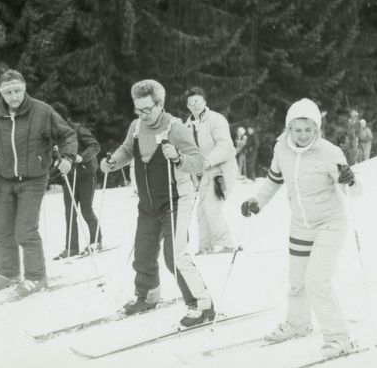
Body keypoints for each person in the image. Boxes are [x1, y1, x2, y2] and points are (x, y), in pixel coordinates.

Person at [240, 98, 360, 359]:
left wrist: (350, 180)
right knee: (296, 281)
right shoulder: (281, 149)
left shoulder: (330, 152)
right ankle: (298, 323)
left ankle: (339, 338)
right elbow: (273, 181)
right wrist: (256, 202)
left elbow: (353, 190)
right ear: (289, 128)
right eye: (298, 129)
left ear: (317, 129)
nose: (303, 135)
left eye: (309, 129)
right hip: (300, 225)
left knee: (317, 280)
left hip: (330, 223)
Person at [100, 79, 214, 327]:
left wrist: (178, 157)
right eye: (138, 110)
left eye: (147, 110)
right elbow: (126, 150)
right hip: (148, 203)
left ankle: (202, 304)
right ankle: (148, 295)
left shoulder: (175, 128)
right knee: (143, 252)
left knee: (174, 255)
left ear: (160, 104)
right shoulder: (136, 127)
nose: (142, 115)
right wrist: (112, 162)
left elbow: (199, 162)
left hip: (175, 200)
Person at [0, 69, 77, 297]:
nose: (14, 96)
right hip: (4, 179)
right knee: (1, 228)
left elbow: (67, 135)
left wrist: (68, 157)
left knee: (25, 229)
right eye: (8, 92)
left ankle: (35, 276)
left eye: (18, 91)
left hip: (33, 178)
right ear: (1, 93)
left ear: (24, 89)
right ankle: (9, 272)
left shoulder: (42, 111)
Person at [183, 87, 237, 254]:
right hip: (205, 170)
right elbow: (189, 152)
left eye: (198, 101)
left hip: (223, 167)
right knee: (201, 210)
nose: (195, 105)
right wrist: (194, 176)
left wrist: (208, 161)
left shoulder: (216, 119)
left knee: (211, 205)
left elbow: (224, 145)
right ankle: (205, 246)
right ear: (187, 105)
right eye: (191, 103)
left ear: (204, 101)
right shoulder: (187, 125)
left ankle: (226, 244)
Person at [49, 102, 102, 259]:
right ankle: (72, 248)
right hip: (69, 177)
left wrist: (82, 156)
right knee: (69, 213)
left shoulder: (78, 129)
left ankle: (96, 240)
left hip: (86, 175)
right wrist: (48, 175)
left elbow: (95, 146)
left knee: (86, 209)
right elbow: (58, 160)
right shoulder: (57, 136)